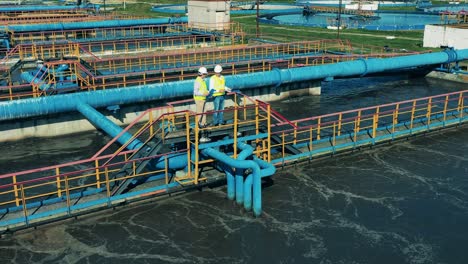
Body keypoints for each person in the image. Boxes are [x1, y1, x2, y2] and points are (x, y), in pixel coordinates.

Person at [193, 66, 210, 142]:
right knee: (199, 114)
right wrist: (203, 93)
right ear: (202, 74)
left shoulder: (202, 80)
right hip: (199, 100)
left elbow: (204, 89)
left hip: (203, 99)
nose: (205, 75)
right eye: (205, 74)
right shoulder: (198, 81)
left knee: (204, 114)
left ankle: (203, 126)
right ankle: (197, 128)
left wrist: (207, 92)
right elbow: (195, 92)